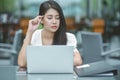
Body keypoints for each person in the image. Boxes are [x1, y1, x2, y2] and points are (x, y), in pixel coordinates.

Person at [18, 0, 82, 68]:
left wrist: (44, 62)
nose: (54, 22)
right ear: (41, 19)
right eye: (49, 18)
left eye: (57, 18)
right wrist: (29, 32)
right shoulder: (34, 36)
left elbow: (78, 60)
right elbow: (22, 63)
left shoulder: (68, 37)